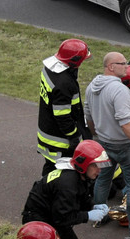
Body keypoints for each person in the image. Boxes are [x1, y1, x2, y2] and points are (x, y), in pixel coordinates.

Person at [21, 140, 111, 239]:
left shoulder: (78, 175)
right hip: (39, 222)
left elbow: (79, 197)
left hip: (52, 215)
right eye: (95, 165)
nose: (99, 170)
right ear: (83, 164)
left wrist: (92, 206)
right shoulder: (67, 182)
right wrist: (87, 216)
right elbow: (62, 218)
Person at [85, 52, 130, 236]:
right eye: (122, 63)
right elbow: (126, 123)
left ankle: (99, 216)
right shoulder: (120, 90)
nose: (126, 66)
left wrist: (97, 134)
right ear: (111, 67)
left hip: (104, 143)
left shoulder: (92, 87)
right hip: (126, 146)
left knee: (103, 179)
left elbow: (89, 116)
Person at [37, 38, 91, 175]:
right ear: (75, 61)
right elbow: (62, 116)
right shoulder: (65, 83)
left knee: (50, 167)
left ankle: (44, 190)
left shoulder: (49, 70)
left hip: (46, 131)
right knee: (61, 173)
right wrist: (75, 136)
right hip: (59, 140)